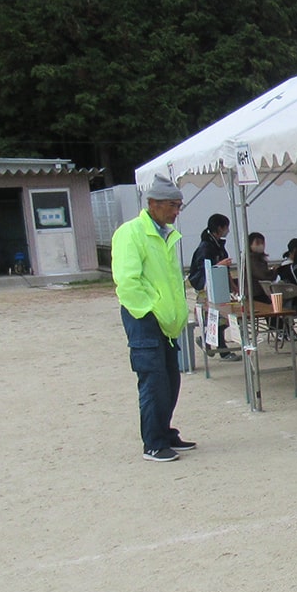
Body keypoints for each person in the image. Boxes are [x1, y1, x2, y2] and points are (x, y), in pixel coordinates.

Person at [112, 178, 194, 462]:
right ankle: (153, 442)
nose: (176, 211)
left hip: (166, 321)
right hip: (145, 318)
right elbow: (127, 281)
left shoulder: (165, 234)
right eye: (172, 205)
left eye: (179, 205)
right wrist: (149, 309)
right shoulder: (131, 233)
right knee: (153, 380)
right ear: (153, 204)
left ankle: (165, 431)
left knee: (170, 379)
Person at [186, 213, 240, 362]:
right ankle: (221, 350)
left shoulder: (217, 245)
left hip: (219, 286)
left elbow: (226, 269)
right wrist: (220, 265)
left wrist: (233, 285)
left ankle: (208, 341)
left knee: (220, 319)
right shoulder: (206, 247)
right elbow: (204, 268)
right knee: (218, 319)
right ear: (219, 228)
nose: (227, 230)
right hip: (207, 288)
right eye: (226, 227)